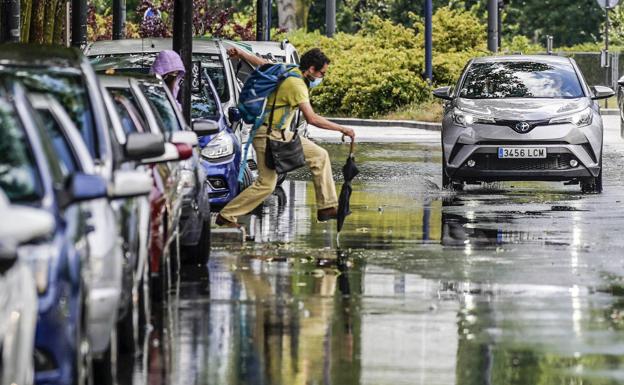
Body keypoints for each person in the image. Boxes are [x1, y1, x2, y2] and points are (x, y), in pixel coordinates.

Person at [216, 47, 356, 228]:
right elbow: (312, 119)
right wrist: (342, 129)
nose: (322, 77)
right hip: (267, 136)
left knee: (319, 155)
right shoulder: (297, 85)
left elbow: (263, 63)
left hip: (283, 134)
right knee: (266, 184)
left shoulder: (290, 69)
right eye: (322, 73)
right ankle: (227, 215)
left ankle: (326, 207)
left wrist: (241, 54)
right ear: (311, 69)